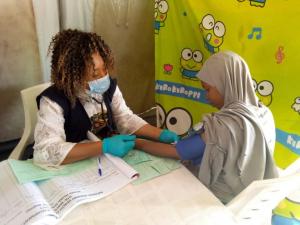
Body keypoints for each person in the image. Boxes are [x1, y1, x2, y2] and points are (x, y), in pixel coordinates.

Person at [137, 51, 279, 203]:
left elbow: (178, 151)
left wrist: (138, 143)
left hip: (219, 202)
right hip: (249, 200)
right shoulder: (265, 113)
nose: (206, 96)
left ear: (226, 84)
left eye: (208, 89)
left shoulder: (223, 126)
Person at [33, 29, 178, 169]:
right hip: (75, 165)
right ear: (73, 77)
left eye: (105, 69)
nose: (104, 77)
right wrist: (104, 146)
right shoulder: (53, 101)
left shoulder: (108, 88)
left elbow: (125, 118)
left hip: (107, 161)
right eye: (95, 75)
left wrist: (160, 134)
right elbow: (45, 152)